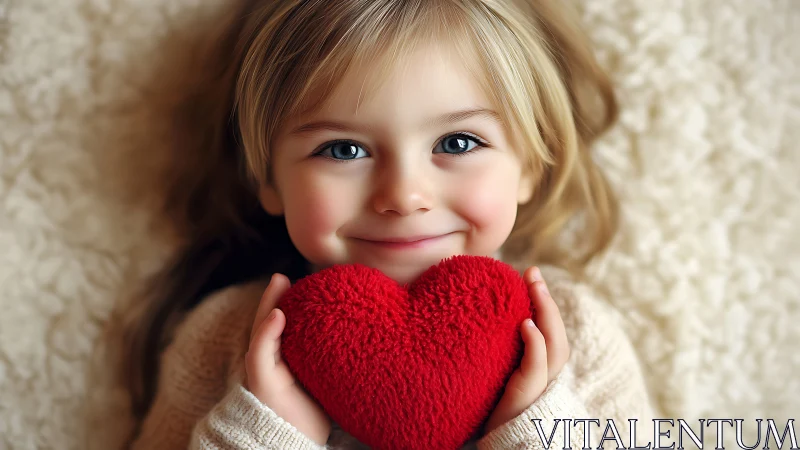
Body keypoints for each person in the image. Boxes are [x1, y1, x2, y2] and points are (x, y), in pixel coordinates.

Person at [115, 0, 656, 448]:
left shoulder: (575, 335)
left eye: (457, 142)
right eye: (343, 149)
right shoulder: (222, 339)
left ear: (531, 167)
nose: (403, 196)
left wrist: (536, 427)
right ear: (270, 180)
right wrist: (267, 433)